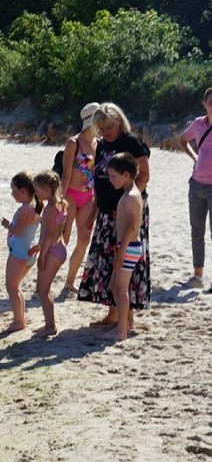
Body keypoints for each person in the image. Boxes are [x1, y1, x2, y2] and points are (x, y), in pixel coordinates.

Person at [78, 103, 151, 325]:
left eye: (109, 126)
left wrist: (128, 199)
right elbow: (100, 180)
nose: (107, 131)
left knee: (124, 261)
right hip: (105, 211)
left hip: (126, 210)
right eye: (102, 128)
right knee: (106, 262)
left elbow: (144, 176)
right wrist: (94, 211)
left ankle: (125, 317)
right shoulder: (101, 146)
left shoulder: (131, 142)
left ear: (119, 120)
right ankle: (112, 314)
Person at [58, 102, 100, 296]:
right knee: (63, 239)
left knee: (84, 239)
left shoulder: (98, 143)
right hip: (71, 195)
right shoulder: (73, 143)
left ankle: (69, 281)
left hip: (89, 195)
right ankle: (47, 277)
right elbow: (66, 174)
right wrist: (60, 200)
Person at [106, 153, 144, 341]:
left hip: (128, 247)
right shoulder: (129, 195)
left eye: (113, 176)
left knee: (121, 290)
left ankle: (121, 330)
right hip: (127, 246)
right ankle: (126, 323)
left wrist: (120, 251)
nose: (110, 180)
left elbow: (131, 226)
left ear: (126, 175)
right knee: (115, 286)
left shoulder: (130, 196)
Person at [179, 87, 212, 290]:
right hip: (196, 184)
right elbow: (183, 140)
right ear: (204, 104)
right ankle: (197, 276)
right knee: (196, 231)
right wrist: (194, 157)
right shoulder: (198, 124)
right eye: (210, 102)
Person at [1, 172, 41, 332]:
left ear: (23, 191)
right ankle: (20, 317)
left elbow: (17, 230)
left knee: (11, 287)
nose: (12, 194)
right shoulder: (36, 206)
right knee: (16, 287)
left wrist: (7, 224)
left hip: (19, 253)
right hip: (27, 252)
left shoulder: (25, 209)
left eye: (13, 190)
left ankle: (19, 321)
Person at [32, 171, 68, 338]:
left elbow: (48, 235)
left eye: (37, 190)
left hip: (52, 250)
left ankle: (50, 325)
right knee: (43, 289)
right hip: (59, 248)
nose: (36, 194)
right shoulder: (61, 204)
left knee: (43, 290)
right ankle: (48, 323)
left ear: (47, 189)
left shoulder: (51, 209)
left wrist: (42, 256)